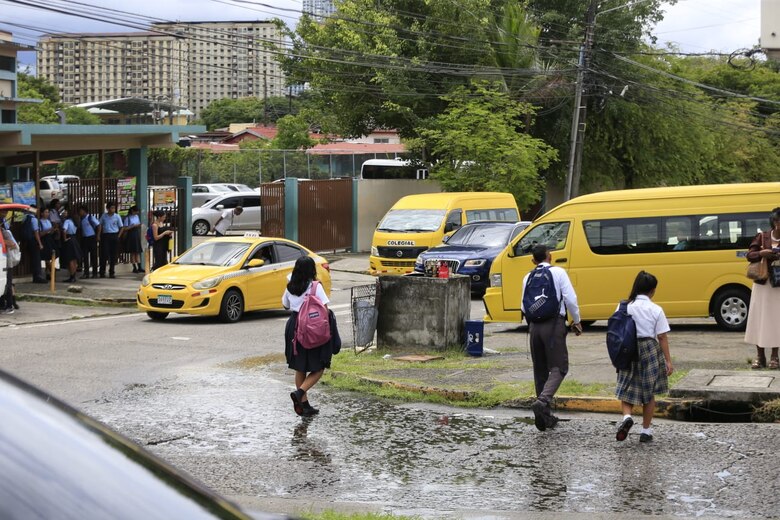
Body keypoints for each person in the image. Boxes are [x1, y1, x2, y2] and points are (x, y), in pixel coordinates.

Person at [521, 244, 582, 432]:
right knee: (559, 367)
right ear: (550, 256)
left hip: (534, 327)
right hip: (554, 325)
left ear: (533, 260)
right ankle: (542, 402)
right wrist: (577, 320)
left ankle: (545, 416)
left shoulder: (527, 277)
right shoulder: (558, 272)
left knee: (540, 370)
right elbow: (570, 299)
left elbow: (523, 306)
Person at [615, 271, 673, 443]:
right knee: (649, 392)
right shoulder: (655, 309)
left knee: (627, 388)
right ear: (652, 290)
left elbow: (616, 329)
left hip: (628, 349)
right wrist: (668, 361)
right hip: (649, 349)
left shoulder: (623, 306)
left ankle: (627, 418)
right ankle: (646, 431)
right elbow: (661, 336)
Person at [283, 256, 332, 418]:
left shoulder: (290, 286)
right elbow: (325, 310)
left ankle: (304, 406)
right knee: (319, 367)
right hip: (311, 327)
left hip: (294, 327)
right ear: (312, 270)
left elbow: (285, 305)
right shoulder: (315, 286)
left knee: (300, 367)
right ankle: (300, 393)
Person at [745, 207, 780, 370]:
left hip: (778, 285)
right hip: (762, 283)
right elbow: (749, 255)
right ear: (775, 222)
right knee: (759, 319)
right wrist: (762, 253)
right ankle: (760, 356)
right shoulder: (762, 237)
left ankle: (775, 356)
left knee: (775, 320)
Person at [98, 201, 124, 278]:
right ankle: (102, 271)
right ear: (108, 208)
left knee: (113, 254)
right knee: (104, 254)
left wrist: (118, 236)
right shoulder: (104, 216)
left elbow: (121, 227)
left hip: (114, 235)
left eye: (114, 208)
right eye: (112, 208)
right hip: (106, 235)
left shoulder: (117, 216)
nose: (113, 209)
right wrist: (98, 235)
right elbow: (100, 225)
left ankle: (111, 272)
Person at [0, 210, 19, 313]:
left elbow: (12, 244)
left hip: (7, 261)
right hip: (3, 260)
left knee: (8, 283)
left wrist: (3, 241)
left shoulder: (6, 232)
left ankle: (10, 305)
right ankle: (3, 304)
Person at [22, 205, 45, 284]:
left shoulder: (25, 218)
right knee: (36, 258)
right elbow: (36, 232)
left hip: (27, 241)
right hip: (33, 240)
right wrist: (40, 243)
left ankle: (35, 275)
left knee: (32, 258)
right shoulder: (33, 219)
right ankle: (37, 276)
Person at [59, 208, 82, 283]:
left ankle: (71, 276)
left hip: (69, 239)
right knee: (74, 260)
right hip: (74, 238)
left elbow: (64, 230)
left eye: (66, 212)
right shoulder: (75, 221)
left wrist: (65, 238)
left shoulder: (67, 221)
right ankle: (73, 276)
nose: (64, 213)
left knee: (70, 259)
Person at [78, 205, 100, 279]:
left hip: (92, 238)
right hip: (85, 239)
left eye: (81, 211)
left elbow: (99, 225)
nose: (80, 212)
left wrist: (98, 235)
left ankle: (95, 273)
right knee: (85, 256)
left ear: (84, 211)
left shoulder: (90, 217)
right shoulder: (81, 219)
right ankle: (86, 273)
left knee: (93, 256)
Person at [122, 205, 143, 273]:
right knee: (133, 252)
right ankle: (134, 267)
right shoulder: (128, 218)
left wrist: (139, 225)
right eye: (136, 211)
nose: (137, 213)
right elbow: (125, 228)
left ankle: (139, 267)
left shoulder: (136, 216)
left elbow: (138, 224)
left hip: (136, 233)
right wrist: (132, 226)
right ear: (132, 211)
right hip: (131, 235)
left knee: (137, 251)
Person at [38, 207, 57, 281]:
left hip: (50, 239)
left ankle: (48, 273)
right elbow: (40, 234)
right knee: (46, 257)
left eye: (48, 212)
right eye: (45, 212)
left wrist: (53, 230)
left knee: (50, 256)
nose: (47, 214)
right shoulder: (40, 222)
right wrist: (48, 230)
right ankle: (52, 271)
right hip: (44, 240)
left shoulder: (48, 221)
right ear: (42, 213)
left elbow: (51, 232)